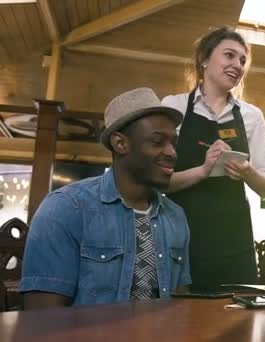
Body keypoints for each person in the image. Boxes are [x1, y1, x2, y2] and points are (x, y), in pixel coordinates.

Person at [19, 88, 191, 308]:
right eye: (157, 142)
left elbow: (180, 305)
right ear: (120, 144)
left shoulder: (175, 217)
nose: (172, 153)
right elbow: (42, 319)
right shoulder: (65, 208)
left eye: (173, 143)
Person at [162, 27, 265, 291]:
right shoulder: (173, 106)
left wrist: (248, 172)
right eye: (229, 55)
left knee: (236, 325)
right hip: (181, 239)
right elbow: (157, 182)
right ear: (204, 58)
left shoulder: (252, 116)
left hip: (234, 241)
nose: (237, 65)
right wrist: (202, 171)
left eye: (242, 60)